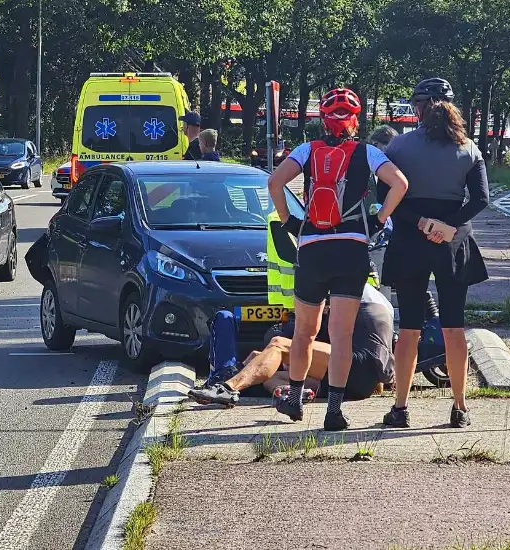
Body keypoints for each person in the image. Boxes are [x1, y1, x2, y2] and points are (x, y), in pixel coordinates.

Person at [267, 87, 408, 431]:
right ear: (355, 120)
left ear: (323, 120)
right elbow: (400, 183)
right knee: (341, 335)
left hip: (313, 248)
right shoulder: (368, 152)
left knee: (304, 332)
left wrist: (290, 221)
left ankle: (295, 399)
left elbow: (275, 182)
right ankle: (333, 411)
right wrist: (377, 221)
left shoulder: (306, 150)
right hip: (352, 249)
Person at [379, 78, 489, 429]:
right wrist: (447, 225)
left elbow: (388, 199)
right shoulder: (470, 149)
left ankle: (400, 408)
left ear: (420, 108)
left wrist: (423, 221)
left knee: (409, 327)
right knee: (453, 327)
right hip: (453, 243)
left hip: (411, 241)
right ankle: (460, 408)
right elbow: (481, 199)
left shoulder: (398, 148)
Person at [190, 284, 395, 407]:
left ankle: (228, 387)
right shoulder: (370, 294)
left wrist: (277, 352)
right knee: (268, 377)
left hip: (355, 366)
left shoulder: (341, 291)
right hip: (359, 384)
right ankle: (292, 393)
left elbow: (309, 337)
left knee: (280, 344)